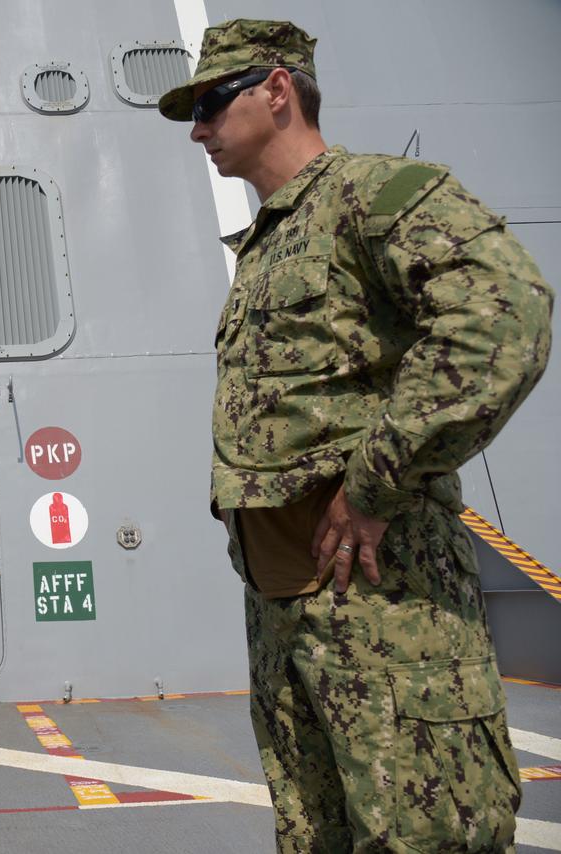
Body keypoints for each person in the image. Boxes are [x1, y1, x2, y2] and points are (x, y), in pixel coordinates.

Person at [158, 19, 553, 852]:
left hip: (385, 610)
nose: (197, 128)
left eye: (209, 102)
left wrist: (376, 482)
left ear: (276, 89)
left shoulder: (376, 194)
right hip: (286, 618)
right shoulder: (265, 247)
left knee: (423, 835)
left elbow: (502, 319)